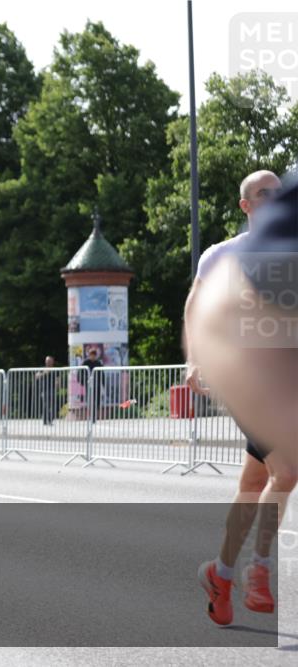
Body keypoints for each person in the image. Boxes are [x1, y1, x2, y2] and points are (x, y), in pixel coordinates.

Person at [185, 170, 297, 625]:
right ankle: (260, 569)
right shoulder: (224, 254)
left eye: (278, 191)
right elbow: (196, 304)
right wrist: (195, 359)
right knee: (286, 470)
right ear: (245, 206)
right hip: (249, 376)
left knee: (254, 484)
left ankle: (221, 572)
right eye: (262, 193)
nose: (273, 198)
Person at [82, 347, 103, 423]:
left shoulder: (98, 363)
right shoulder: (85, 363)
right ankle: (90, 417)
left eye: (94, 355)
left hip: (97, 385)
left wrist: (103, 384)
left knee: (96, 402)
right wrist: (83, 382)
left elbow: (102, 374)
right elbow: (80, 373)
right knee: (90, 401)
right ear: (89, 355)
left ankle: (94, 417)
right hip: (89, 385)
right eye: (91, 354)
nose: (93, 356)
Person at [34, 356, 57, 426]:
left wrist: (58, 383)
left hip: (52, 389)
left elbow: (57, 378)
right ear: (45, 362)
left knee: (52, 405)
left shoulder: (55, 369)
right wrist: (44, 373)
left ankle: (49, 419)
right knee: (46, 405)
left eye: (50, 361)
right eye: (47, 361)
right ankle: (45, 420)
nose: (49, 362)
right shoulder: (42, 368)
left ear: (53, 362)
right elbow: (36, 376)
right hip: (44, 389)